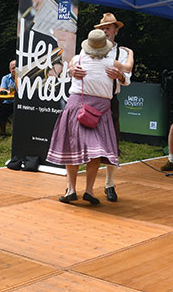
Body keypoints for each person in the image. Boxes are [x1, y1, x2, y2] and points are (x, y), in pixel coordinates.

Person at [47, 29, 121, 204]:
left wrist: (71, 71)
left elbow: (68, 70)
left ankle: (71, 190)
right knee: (95, 151)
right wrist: (120, 76)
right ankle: (88, 191)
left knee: (72, 147)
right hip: (99, 110)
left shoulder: (77, 60)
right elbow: (126, 77)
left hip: (77, 107)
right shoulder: (112, 63)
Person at [90, 13, 133, 201]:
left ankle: (109, 184)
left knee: (111, 143)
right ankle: (84, 187)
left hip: (110, 102)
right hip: (90, 100)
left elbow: (127, 80)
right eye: (103, 28)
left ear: (116, 30)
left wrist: (121, 77)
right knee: (87, 141)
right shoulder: (89, 47)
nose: (105, 30)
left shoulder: (121, 52)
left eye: (109, 27)